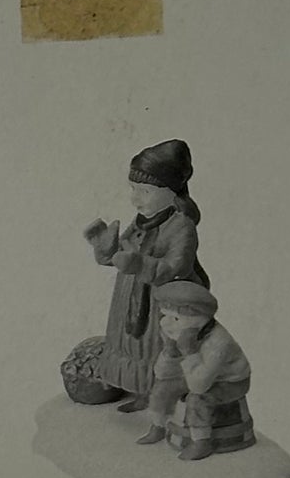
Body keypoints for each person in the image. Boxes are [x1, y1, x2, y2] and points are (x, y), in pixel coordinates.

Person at [82, 139, 207, 410]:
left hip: (161, 304)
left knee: (159, 349)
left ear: (171, 192)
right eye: (133, 189)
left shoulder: (181, 226)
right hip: (129, 300)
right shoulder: (140, 222)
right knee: (132, 345)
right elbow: (123, 254)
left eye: (145, 191)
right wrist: (107, 248)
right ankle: (140, 391)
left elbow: (177, 267)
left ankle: (164, 395)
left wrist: (139, 264)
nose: (136, 198)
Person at [137, 281, 255, 459]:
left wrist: (190, 352)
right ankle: (158, 426)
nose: (166, 323)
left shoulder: (218, 343)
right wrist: (170, 351)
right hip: (198, 374)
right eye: (164, 315)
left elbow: (198, 386)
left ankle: (201, 441)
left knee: (198, 399)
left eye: (176, 319)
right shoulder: (183, 333)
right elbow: (161, 373)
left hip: (230, 381)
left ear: (199, 319)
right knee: (163, 387)